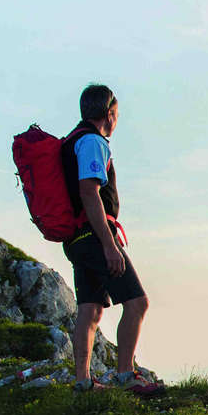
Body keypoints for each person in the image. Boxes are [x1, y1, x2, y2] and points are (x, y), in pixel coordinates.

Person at [60, 83, 163, 395]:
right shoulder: (93, 142)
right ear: (109, 114)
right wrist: (109, 245)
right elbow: (89, 192)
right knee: (137, 303)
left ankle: (83, 381)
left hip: (76, 237)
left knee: (90, 309)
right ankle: (125, 375)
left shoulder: (71, 142)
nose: (117, 121)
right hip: (95, 234)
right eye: (116, 115)